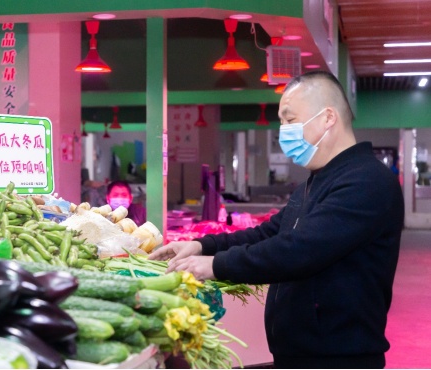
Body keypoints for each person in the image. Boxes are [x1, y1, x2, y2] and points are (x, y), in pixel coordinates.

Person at [150, 71, 404, 369]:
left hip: (337, 359)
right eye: (281, 122)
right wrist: (201, 246)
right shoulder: (316, 181)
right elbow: (267, 234)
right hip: (297, 355)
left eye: (290, 119)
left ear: (328, 118)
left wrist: (216, 265)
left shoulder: (367, 181)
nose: (283, 130)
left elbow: (300, 250)